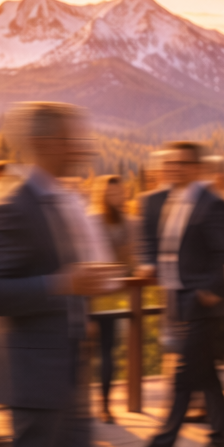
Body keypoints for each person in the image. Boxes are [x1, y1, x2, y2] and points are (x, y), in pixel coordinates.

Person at [0, 102, 121, 447]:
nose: (78, 146)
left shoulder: (65, 200)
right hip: (35, 374)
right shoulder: (13, 206)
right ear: (41, 142)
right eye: (67, 137)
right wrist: (62, 284)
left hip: (71, 367)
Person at [121, 142, 224, 447]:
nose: (174, 168)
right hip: (176, 299)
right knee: (206, 375)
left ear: (198, 167)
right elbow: (160, 245)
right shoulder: (166, 201)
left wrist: (210, 289)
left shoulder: (211, 203)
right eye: (170, 162)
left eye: (182, 163)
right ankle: (221, 444)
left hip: (202, 303)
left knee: (184, 377)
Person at [90, 173, 135, 423]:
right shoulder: (93, 220)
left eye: (119, 192)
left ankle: (104, 405)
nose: (116, 197)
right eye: (111, 193)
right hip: (90, 294)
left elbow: (131, 261)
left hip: (114, 295)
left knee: (108, 351)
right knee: (85, 351)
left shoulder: (128, 223)